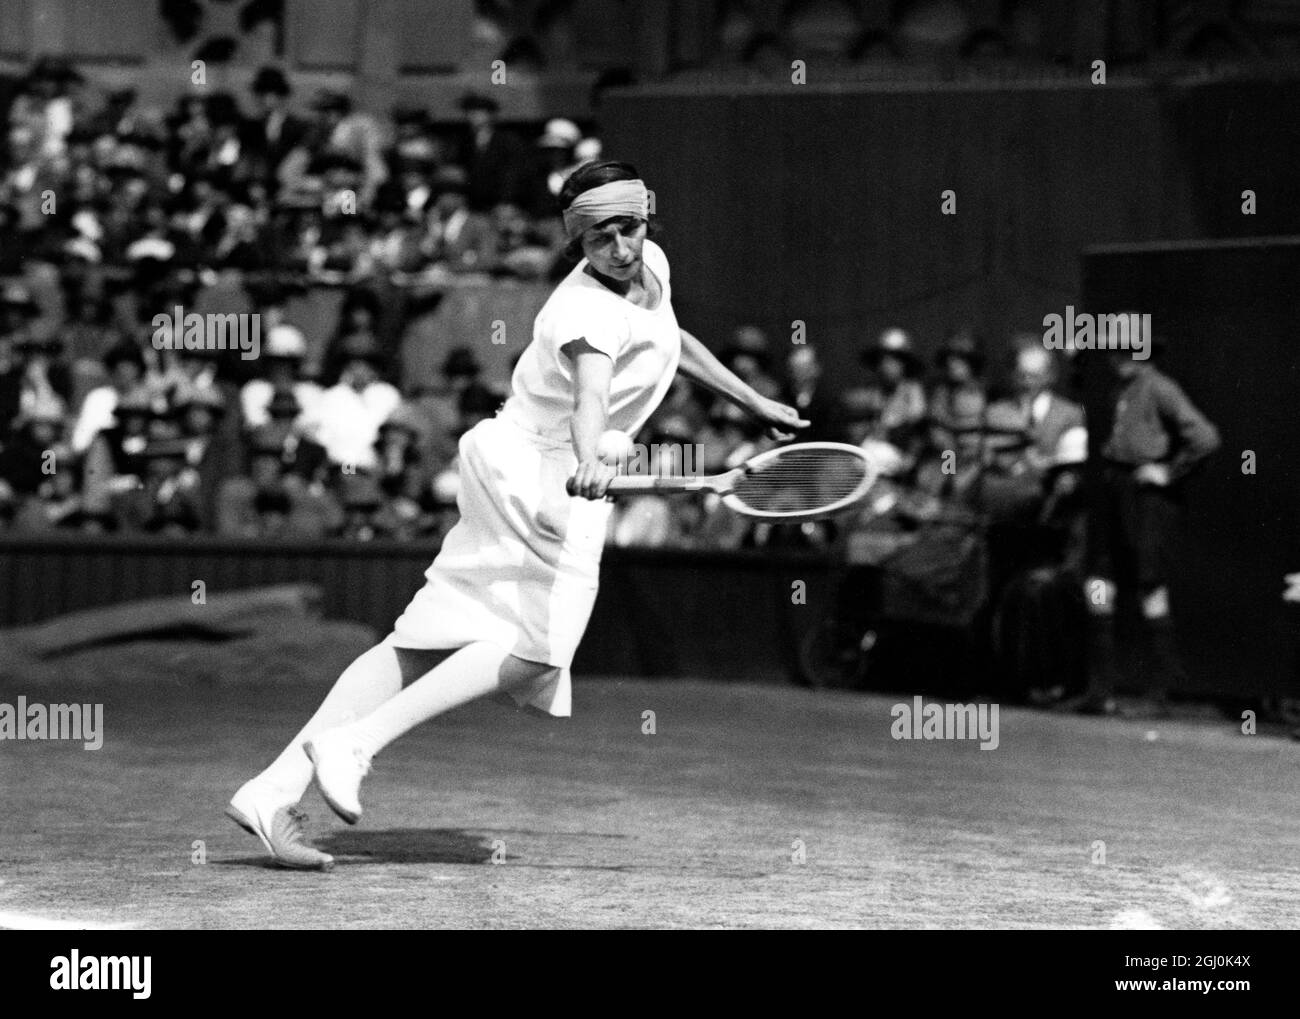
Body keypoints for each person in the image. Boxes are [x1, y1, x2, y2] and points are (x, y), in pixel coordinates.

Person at [226, 160, 807, 868]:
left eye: (629, 228)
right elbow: (592, 395)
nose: (620, 248)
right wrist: (592, 456)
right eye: (600, 238)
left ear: (646, 219)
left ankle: (271, 788)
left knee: (421, 641)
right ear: (577, 242)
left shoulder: (650, 263)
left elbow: (669, 338)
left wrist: (752, 400)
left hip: (518, 460)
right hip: (537, 472)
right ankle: (354, 743)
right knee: (538, 650)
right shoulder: (582, 310)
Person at [1073, 336, 1220, 716]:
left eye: (1128, 350)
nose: (1118, 358)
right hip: (1115, 486)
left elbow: (1204, 437)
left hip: (1144, 498)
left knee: (1148, 582)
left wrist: (1168, 472)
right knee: (1100, 579)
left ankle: (1161, 693)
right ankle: (1100, 689)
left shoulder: (1159, 387)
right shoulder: (1122, 388)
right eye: (1115, 350)